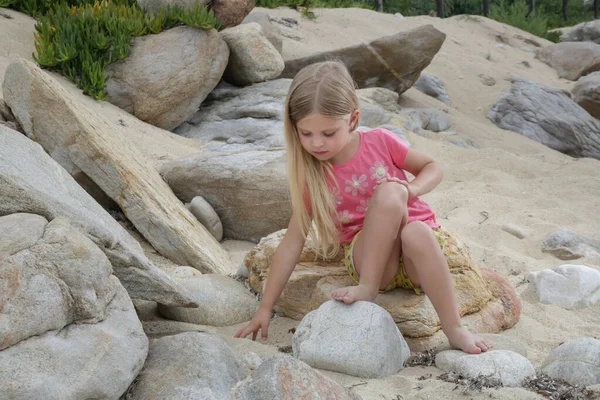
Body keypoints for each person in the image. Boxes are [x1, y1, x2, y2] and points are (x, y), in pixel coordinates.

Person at [234, 61, 489, 354]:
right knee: (390, 193)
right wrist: (265, 308)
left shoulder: (380, 142)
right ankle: (368, 288)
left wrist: (411, 190)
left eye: (328, 133)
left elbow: (432, 167)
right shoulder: (313, 176)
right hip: (371, 260)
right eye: (306, 134)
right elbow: (292, 243)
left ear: (353, 120)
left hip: (418, 252)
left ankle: (454, 328)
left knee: (415, 227)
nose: (317, 143)